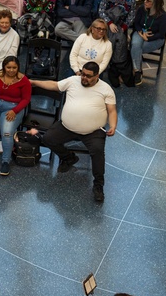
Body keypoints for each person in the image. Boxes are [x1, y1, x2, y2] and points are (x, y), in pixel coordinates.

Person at [31, 62, 117, 202]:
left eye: (88, 76)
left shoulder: (106, 89)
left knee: (97, 152)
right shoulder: (73, 81)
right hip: (67, 126)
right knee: (47, 139)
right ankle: (68, 157)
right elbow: (54, 85)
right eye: (83, 74)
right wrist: (34, 82)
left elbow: (112, 111)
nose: (84, 78)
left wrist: (113, 125)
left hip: (93, 131)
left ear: (97, 76)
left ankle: (98, 185)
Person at [129, 0, 166, 84]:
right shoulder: (141, 9)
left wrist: (148, 38)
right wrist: (141, 32)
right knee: (135, 45)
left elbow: (161, 34)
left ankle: (135, 68)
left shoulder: (163, 16)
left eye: (148, 1)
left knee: (135, 49)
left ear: (155, 3)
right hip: (140, 32)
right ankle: (138, 71)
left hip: (155, 38)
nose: (145, 2)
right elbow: (136, 23)